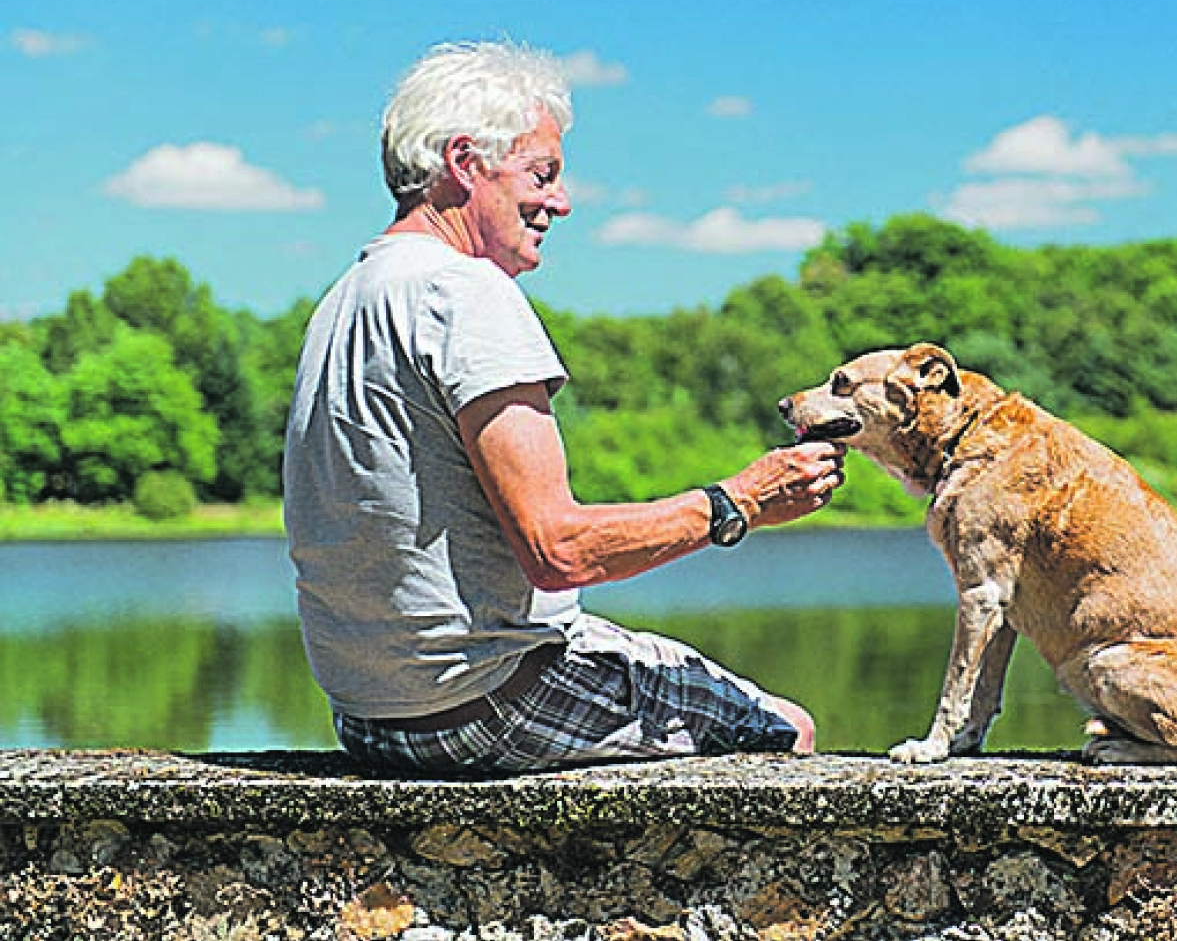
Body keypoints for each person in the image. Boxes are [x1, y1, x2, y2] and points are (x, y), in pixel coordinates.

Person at [283, 40, 846, 773]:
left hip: (367, 717)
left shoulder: (344, 297)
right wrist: (739, 501)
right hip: (482, 705)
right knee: (782, 732)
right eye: (542, 174)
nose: (562, 200)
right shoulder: (466, 292)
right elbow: (558, 552)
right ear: (464, 163)